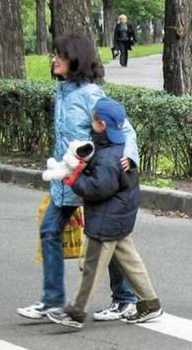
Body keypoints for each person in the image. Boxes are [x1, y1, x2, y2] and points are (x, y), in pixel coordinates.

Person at [17, 34, 141, 322]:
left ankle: (125, 299)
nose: (53, 59)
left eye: (59, 54)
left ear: (76, 59)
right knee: (50, 230)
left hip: (94, 182)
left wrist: (130, 157)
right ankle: (52, 300)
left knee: (106, 238)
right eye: (54, 54)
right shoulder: (62, 92)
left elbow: (126, 129)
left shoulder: (91, 95)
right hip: (67, 180)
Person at [48, 98, 163, 329]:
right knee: (131, 262)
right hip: (119, 218)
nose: (90, 123)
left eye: (93, 119)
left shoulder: (108, 158)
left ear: (101, 124)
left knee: (91, 267)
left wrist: (74, 179)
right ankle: (151, 304)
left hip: (104, 222)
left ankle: (75, 313)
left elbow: (97, 189)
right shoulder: (118, 151)